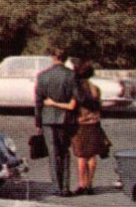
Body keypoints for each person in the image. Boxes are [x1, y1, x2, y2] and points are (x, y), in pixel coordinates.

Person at [33, 51, 78, 196]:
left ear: (53, 58)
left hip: (47, 118)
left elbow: (38, 101)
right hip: (65, 118)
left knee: (52, 152)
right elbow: (77, 98)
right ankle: (65, 187)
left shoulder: (42, 76)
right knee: (64, 152)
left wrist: (38, 122)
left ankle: (56, 186)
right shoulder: (71, 75)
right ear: (65, 59)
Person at [69, 60, 106, 194]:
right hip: (94, 123)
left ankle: (81, 184)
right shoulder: (95, 88)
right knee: (92, 156)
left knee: (81, 156)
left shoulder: (78, 89)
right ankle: (90, 184)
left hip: (81, 123)